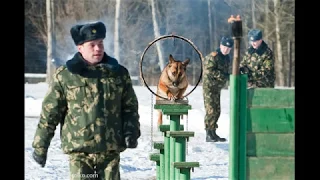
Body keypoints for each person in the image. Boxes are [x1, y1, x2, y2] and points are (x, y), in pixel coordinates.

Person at [31, 21, 141, 180]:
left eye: (101, 43)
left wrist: (131, 131)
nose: (98, 48)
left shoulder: (118, 74)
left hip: (110, 153)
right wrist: (40, 147)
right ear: (80, 47)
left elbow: (130, 108)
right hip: (80, 154)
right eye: (92, 45)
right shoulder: (65, 76)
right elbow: (50, 114)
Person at [202, 36, 233, 142]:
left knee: (217, 111)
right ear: (220, 46)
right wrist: (225, 76)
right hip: (209, 87)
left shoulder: (226, 57)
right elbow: (209, 70)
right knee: (211, 110)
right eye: (225, 47)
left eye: (229, 49)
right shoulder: (213, 56)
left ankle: (213, 132)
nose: (226, 50)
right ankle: (208, 133)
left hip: (217, 87)